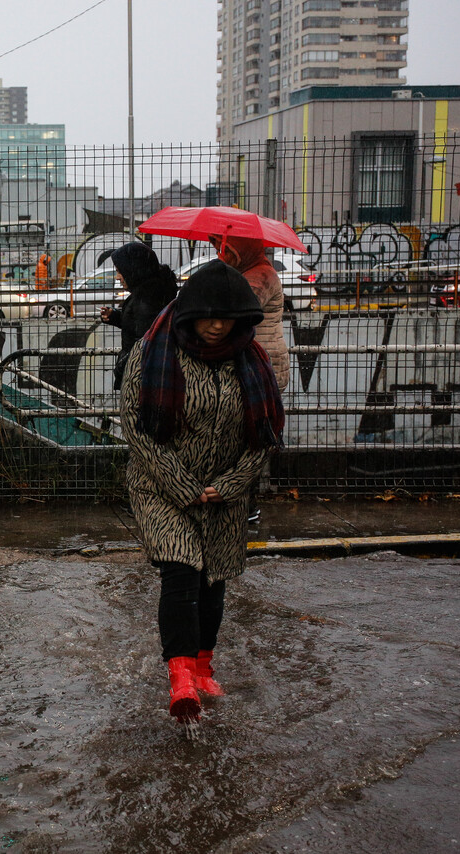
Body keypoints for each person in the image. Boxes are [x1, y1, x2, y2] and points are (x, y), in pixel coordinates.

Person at [119, 258, 284, 724]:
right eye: (208, 315)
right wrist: (183, 486)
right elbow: (137, 427)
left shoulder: (253, 361)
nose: (216, 326)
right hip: (162, 486)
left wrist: (228, 486)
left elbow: (266, 435)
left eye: (226, 317)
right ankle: (180, 678)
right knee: (182, 572)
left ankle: (204, 665)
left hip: (223, 492)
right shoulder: (155, 353)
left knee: (214, 578)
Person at [210, 234, 291, 524]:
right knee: (241, 433)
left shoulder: (260, 276)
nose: (221, 254)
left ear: (239, 250)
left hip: (260, 366)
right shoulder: (250, 272)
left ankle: (247, 506)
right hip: (251, 362)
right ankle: (240, 502)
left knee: (249, 436)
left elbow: (240, 310)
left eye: (225, 249)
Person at [98, 241, 178, 390]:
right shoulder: (151, 293)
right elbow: (142, 326)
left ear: (133, 269)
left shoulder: (146, 300)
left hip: (140, 380)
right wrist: (116, 317)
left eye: (119, 271)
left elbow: (144, 343)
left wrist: (123, 367)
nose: (117, 277)